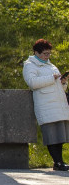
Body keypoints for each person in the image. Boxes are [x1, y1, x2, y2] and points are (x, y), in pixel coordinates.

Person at [24, 39, 69, 171]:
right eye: (44, 53)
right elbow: (32, 83)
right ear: (36, 53)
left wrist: (63, 83)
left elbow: (59, 89)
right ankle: (57, 162)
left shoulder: (51, 66)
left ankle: (60, 162)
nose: (47, 56)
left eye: (49, 54)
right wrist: (52, 78)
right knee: (51, 135)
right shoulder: (30, 65)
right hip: (46, 105)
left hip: (58, 105)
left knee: (60, 135)